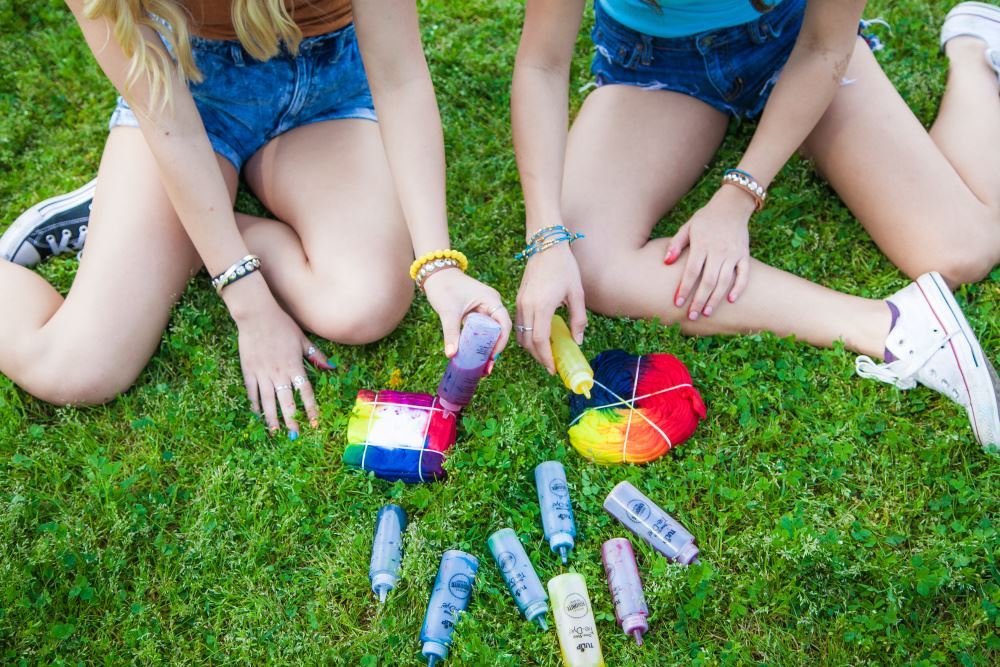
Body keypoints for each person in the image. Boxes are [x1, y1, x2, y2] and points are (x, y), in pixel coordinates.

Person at [0, 0, 511, 438]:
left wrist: (438, 268)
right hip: (187, 97)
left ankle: (162, 222)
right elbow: (170, 124)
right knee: (76, 366)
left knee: (365, 306)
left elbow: (399, 78)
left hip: (328, 89)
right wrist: (251, 308)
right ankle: (132, 211)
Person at [510, 0, 1000, 451]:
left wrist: (739, 196)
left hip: (799, 41)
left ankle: (975, 51)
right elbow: (542, 64)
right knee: (585, 257)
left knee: (962, 250)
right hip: (654, 63)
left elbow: (825, 46)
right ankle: (893, 326)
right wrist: (546, 238)